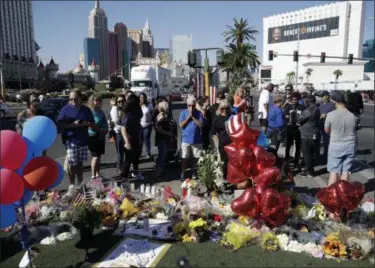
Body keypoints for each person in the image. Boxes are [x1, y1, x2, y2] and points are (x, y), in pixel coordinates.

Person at [57, 89, 96, 194]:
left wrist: (85, 123)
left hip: (83, 139)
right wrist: (71, 125)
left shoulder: (86, 110)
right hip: (71, 140)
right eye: (70, 99)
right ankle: (71, 185)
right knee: (72, 164)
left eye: (75, 99)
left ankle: (80, 183)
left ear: (80, 98)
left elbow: (92, 123)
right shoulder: (65, 110)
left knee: (80, 163)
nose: (73, 101)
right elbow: (59, 125)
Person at [325, 91, 358, 186]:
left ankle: (331, 195)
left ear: (335, 102)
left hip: (336, 145)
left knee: (334, 171)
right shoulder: (353, 115)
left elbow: (326, 130)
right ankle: (344, 194)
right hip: (350, 145)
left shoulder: (331, 114)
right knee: (346, 171)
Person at [179, 95, 203, 181]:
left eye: (193, 105)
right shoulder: (183, 113)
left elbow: (200, 125)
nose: (191, 107)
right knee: (184, 158)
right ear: (187, 105)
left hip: (196, 140)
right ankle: (183, 172)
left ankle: (194, 172)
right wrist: (188, 117)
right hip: (186, 140)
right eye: (189, 105)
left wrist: (193, 117)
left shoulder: (199, 113)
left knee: (195, 158)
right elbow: (181, 125)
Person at [120, 94, 144, 180]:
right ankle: (124, 176)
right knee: (129, 158)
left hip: (136, 136)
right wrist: (127, 142)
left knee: (136, 155)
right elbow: (123, 129)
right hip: (128, 138)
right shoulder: (127, 114)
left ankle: (136, 172)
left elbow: (140, 116)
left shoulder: (136, 111)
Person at [298, 95, 321, 177]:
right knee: (311, 153)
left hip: (307, 135)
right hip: (314, 134)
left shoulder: (308, 110)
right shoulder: (317, 108)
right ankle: (311, 169)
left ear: (308, 102)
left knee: (307, 153)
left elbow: (299, 119)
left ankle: (309, 171)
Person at [87, 95, 108, 180]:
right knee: (95, 156)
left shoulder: (101, 111)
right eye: (96, 100)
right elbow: (89, 124)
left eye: (99, 100)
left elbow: (104, 122)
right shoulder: (90, 112)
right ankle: (93, 175)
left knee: (99, 157)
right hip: (92, 136)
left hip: (101, 135)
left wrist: (105, 130)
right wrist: (99, 129)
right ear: (92, 101)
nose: (98, 102)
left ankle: (98, 174)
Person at [211, 100, 232, 179]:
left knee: (231, 161)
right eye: (223, 108)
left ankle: (231, 177)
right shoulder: (217, 118)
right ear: (220, 109)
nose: (225, 110)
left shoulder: (231, 116)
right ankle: (224, 178)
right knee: (224, 162)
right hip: (222, 143)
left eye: (227, 108)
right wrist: (217, 140)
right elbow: (213, 132)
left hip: (232, 143)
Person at [283, 92, 305, 169]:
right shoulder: (288, 107)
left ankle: (296, 162)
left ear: (298, 99)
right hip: (289, 128)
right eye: (292, 99)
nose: (294, 101)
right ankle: (286, 161)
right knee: (288, 146)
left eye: (295, 99)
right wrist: (287, 118)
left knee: (298, 147)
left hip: (298, 129)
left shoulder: (302, 107)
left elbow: (304, 118)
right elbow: (284, 117)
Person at [154, 101, 173, 177]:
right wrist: (168, 133)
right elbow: (158, 128)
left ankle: (161, 169)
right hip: (162, 138)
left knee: (163, 155)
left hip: (163, 138)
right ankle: (159, 171)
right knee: (162, 155)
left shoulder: (164, 115)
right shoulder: (161, 116)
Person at [110, 94, 126, 174]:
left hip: (125, 132)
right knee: (120, 152)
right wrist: (125, 125)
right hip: (118, 133)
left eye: (122, 101)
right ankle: (119, 167)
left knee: (124, 151)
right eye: (119, 101)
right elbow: (116, 121)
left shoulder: (125, 109)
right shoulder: (115, 109)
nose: (121, 103)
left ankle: (123, 166)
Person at [319, 91, 336, 159]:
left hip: (328, 125)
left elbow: (335, 115)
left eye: (322, 96)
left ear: (327, 96)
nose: (321, 97)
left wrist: (327, 115)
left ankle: (326, 154)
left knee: (327, 140)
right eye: (321, 96)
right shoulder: (319, 104)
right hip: (320, 123)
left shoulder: (332, 105)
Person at [139, 93, 154, 159]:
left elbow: (152, 113)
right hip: (139, 126)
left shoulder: (149, 104)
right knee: (140, 140)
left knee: (146, 139)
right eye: (141, 97)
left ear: (145, 98)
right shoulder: (137, 105)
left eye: (143, 97)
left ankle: (148, 153)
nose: (142, 98)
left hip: (147, 125)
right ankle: (139, 152)